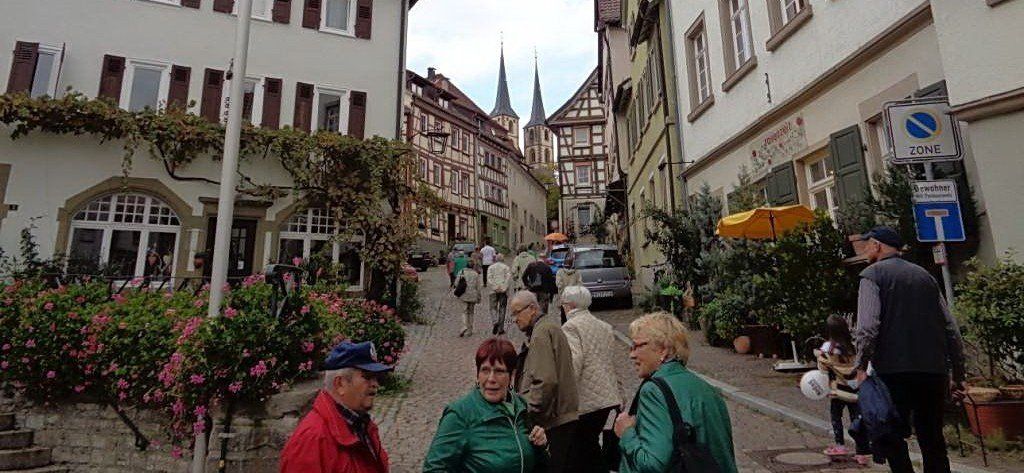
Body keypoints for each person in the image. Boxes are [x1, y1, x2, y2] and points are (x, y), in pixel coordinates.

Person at [853, 226, 965, 473]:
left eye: (866, 245)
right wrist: (957, 372)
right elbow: (950, 328)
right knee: (933, 439)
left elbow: (868, 327)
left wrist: (861, 366)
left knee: (891, 434)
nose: (864, 250)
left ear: (877, 245)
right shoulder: (925, 276)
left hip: (894, 371)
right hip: (932, 370)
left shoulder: (871, 276)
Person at [615, 312, 738, 473]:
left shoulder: (653, 390)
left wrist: (626, 433)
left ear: (663, 350)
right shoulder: (707, 388)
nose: (632, 354)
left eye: (638, 346)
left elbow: (653, 465)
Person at [423, 338, 549, 472]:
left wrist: (541, 447)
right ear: (478, 375)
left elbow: (535, 465)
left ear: (511, 375)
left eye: (499, 371)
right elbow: (433, 469)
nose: (491, 379)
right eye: (485, 370)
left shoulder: (520, 406)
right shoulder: (460, 415)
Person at [280, 341, 392, 473]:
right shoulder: (311, 441)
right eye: (367, 376)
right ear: (340, 384)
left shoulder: (362, 425)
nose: (375, 384)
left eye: (376, 377)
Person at [509, 290, 579, 473]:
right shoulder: (548, 327)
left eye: (517, 312)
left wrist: (529, 413)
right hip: (561, 415)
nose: (515, 319)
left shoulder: (542, 332)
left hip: (553, 419)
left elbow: (545, 380)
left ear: (532, 308)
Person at [559, 286, 622, 473]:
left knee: (581, 447)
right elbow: (612, 361)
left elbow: (573, 363)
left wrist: (565, 398)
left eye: (562, 304)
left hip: (587, 399)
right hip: (607, 396)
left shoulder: (570, 327)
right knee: (589, 443)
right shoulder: (604, 326)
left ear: (569, 305)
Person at [818, 315, 870, 466]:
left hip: (838, 391)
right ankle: (862, 452)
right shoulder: (853, 347)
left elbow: (822, 369)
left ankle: (840, 445)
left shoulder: (828, 349)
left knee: (836, 418)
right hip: (854, 391)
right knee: (857, 421)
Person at [457, 260, 484, 337]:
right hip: (473, 295)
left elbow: (456, 283)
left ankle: (464, 326)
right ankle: (470, 330)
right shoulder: (475, 274)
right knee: (471, 312)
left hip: (464, 295)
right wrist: (479, 297)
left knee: (464, 311)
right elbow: (478, 287)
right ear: (473, 266)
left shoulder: (461, 272)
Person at [487, 253, 513, 335]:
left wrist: (495, 287)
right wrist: (503, 288)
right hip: (503, 291)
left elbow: (489, 279)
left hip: (493, 291)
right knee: (502, 308)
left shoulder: (491, 267)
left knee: (492, 308)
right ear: (503, 259)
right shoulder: (506, 267)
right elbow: (508, 279)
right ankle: (501, 328)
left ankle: (495, 321)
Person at [554, 254, 581, 320]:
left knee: (564, 316)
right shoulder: (577, 272)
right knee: (574, 315)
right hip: (574, 297)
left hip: (564, 298)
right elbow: (580, 284)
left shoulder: (560, 272)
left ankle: (565, 328)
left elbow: (558, 284)